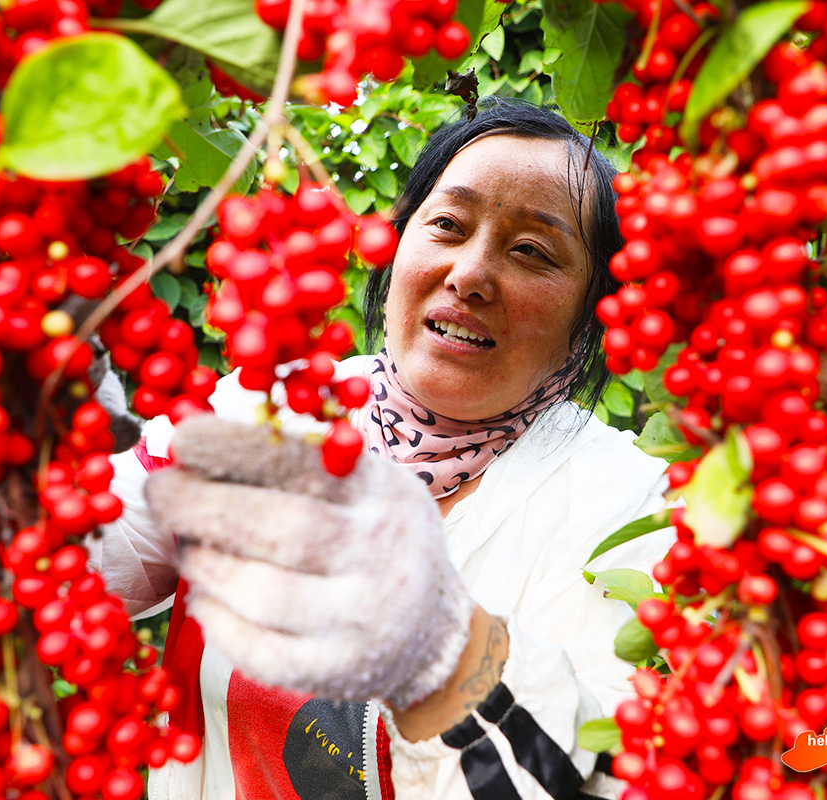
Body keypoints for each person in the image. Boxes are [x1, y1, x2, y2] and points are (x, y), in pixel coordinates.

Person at [91, 99, 675, 800]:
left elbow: (594, 769)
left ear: (590, 315)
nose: (470, 274)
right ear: (398, 248)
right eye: (448, 226)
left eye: (531, 251)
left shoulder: (629, 507)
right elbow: (77, 565)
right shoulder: (263, 411)